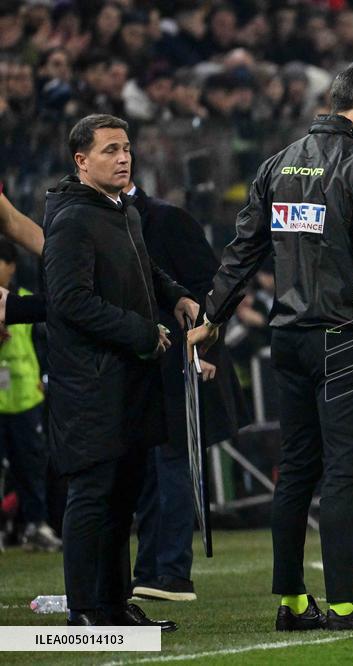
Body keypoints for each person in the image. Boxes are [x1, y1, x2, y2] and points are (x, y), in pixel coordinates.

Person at [187, 61, 353, 632]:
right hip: (345, 341)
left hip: (289, 339)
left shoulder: (277, 164)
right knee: (345, 474)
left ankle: (294, 604)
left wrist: (211, 316)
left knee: (297, 471)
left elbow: (241, 250)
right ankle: (348, 605)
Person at [42, 113, 199, 628]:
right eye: (110, 150)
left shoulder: (124, 212)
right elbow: (68, 301)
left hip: (130, 382)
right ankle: (84, 610)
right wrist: (139, 331)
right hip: (90, 385)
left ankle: (113, 605)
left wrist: (172, 294)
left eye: (126, 147)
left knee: (122, 495)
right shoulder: (70, 219)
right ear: (81, 161)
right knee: (92, 496)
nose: (124, 157)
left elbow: (142, 267)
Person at [128, 176, 250, 602]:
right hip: (136, 367)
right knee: (147, 472)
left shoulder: (168, 220)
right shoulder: (110, 221)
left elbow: (213, 287)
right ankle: (147, 573)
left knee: (171, 464)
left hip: (177, 362)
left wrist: (205, 344)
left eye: (123, 150)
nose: (121, 160)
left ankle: (172, 572)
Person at [0, 239, 61, 552]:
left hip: (26, 397)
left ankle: (35, 525)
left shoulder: (23, 301)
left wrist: (44, 378)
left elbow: (44, 343)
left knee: (32, 467)